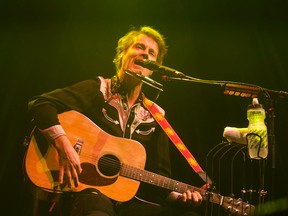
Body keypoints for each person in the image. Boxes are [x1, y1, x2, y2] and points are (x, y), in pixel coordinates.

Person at [27, 25, 203, 216]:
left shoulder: (156, 115)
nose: (145, 54)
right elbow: (41, 104)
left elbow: (160, 179)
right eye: (139, 47)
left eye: (151, 53)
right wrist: (65, 147)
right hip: (88, 193)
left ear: (154, 69)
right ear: (122, 54)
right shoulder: (99, 89)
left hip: (131, 202)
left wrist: (182, 198)